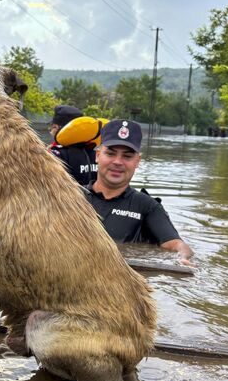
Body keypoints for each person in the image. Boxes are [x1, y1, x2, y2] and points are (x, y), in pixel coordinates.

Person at [83, 119, 194, 265]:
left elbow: (176, 244)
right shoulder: (72, 196)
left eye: (127, 156)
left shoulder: (147, 206)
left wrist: (182, 257)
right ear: (97, 156)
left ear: (138, 161)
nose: (117, 162)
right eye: (110, 154)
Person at [48, 105, 98, 186]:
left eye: (52, 127)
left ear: (57, 128)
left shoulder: (58, 153)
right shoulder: (95, 151)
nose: (50, 131)